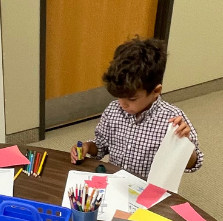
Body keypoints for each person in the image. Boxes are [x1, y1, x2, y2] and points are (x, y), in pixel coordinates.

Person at [70, 37, 203, 180]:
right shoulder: (113, 110)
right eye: (119, 97)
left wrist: (184, 144)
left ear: (156, 91)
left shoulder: (173, 120)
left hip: (148, 188)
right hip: (116, 182)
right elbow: (102, 144)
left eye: (132, 99)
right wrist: (87, 147)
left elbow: (193, 164)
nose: (123, 104)